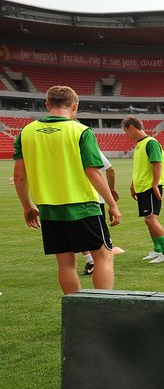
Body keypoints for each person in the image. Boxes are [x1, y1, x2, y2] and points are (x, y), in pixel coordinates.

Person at [13, 85, 122, 295]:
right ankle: (103, 312)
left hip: (49, 209)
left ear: (47, 105)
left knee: (65, 263)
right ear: (75, 106)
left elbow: (19, 175)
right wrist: (113, 204)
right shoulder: (80, 131)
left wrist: (27, 206)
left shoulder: (26, 132)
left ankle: (76, 317)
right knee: (103, 257)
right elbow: (94, 172)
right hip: (83, 206)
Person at [122, 115, 164, 263]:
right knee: (148, 220)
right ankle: (157, 250)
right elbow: (139, 168)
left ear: (131, 127)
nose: (127, 135)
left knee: (151, 219)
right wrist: (133, 186)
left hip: (150, 187)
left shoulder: (151, 143)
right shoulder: (140, 144)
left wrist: (155, 185)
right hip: (142, 187)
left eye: (126, 131)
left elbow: (157, 164)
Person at [81, 151, 120, 276]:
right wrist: (111, 191)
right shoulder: (88, 146)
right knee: (99, 236)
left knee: (77, 233)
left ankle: (92, 260)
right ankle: (96, 262)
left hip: (69, 199)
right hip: (94, 199)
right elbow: (109, 169)